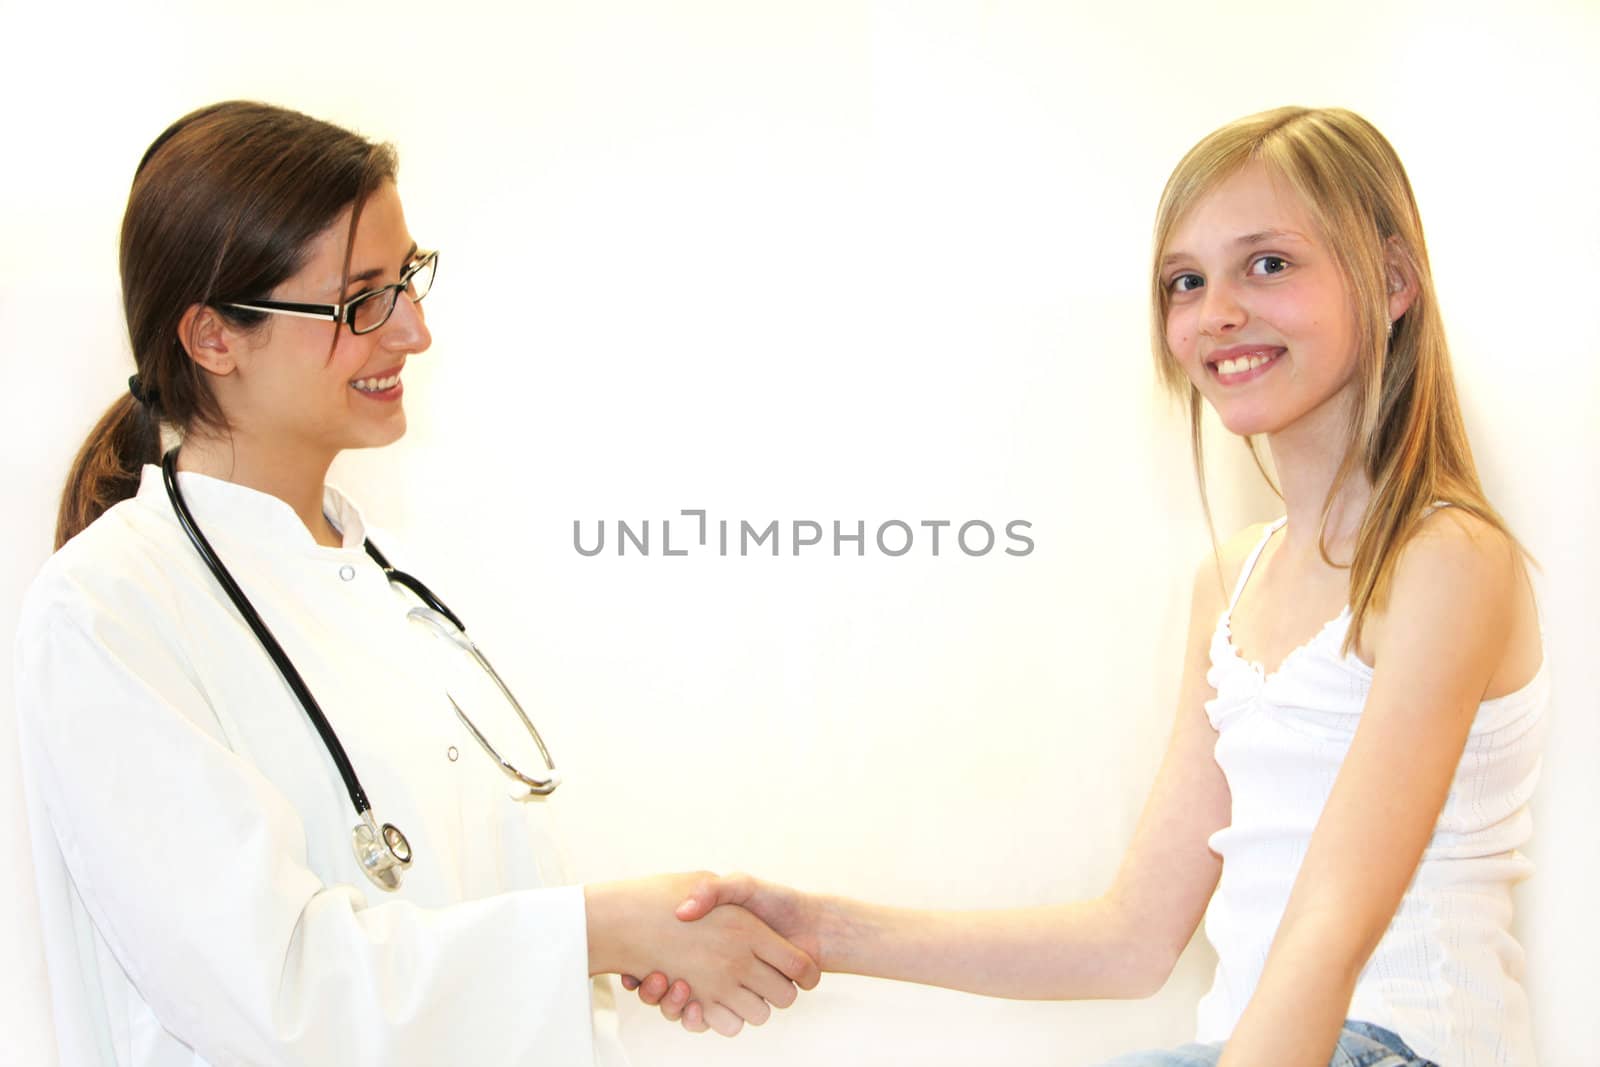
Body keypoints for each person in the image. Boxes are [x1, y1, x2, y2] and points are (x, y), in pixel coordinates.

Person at [626, 106, 1549, 1066]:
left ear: (1393, 281)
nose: (1217, 311)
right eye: (1185, 282)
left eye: (1268, 263)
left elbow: (1331, 927)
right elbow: (1132, 937)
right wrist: (819, 928)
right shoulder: (1231, 583)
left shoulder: (1447, 558)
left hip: (1396, 1045)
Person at [13, 100, 818, 1066]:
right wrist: (600, 930)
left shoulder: (400, 583)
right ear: (213, 338)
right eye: (361, 301)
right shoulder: (108, 608)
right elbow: (272, 992)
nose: (415, 332)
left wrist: (624, 941)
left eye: (408, 280)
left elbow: (474, 917)